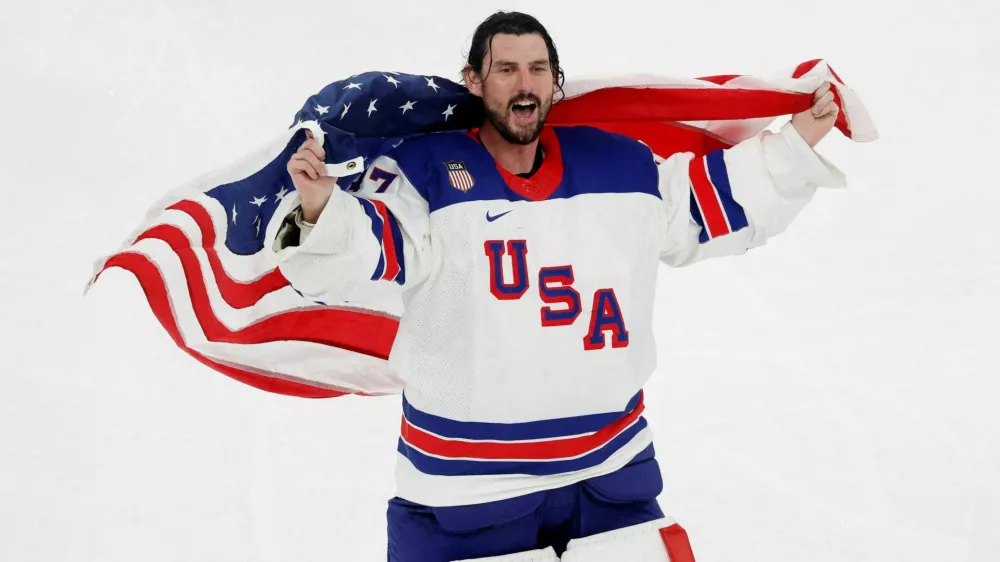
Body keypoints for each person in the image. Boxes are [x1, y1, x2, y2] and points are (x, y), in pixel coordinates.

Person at [272, 10, 846, 562]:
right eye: (506, 69)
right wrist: (323, 209)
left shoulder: (620, 166)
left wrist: (799, 141)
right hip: (469, 493)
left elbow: (708, 199)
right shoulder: (424, 174)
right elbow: (371, 250)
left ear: (556, 80)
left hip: (609, 473)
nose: (525, 85)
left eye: (538, 68)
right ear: (473, 80)